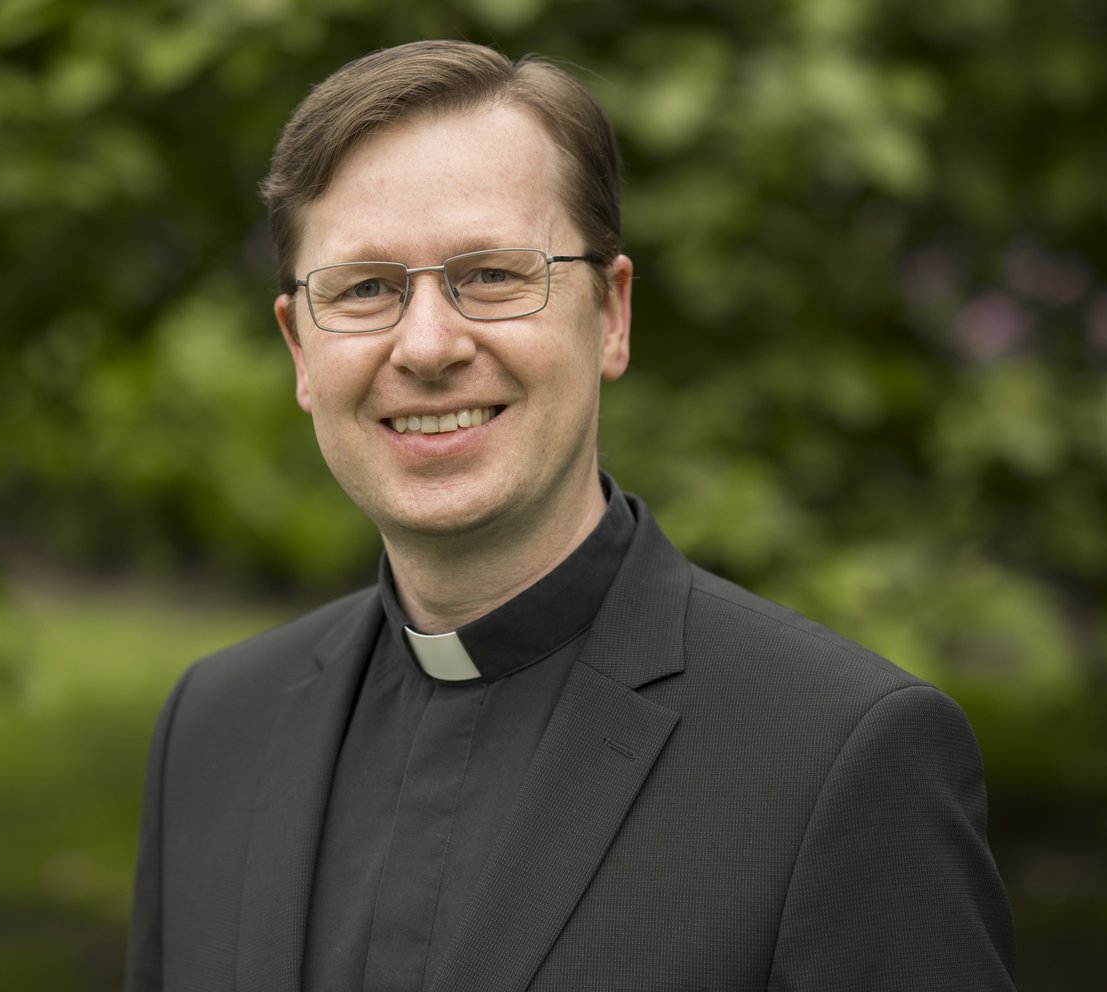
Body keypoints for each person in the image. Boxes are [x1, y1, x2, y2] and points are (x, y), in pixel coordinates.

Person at [125, 39, 1016, 991]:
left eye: (493, 275)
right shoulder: (212, 728)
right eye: (366, 288)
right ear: (301, 350)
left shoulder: (841, 757)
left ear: (611, 315)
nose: (426, 346)